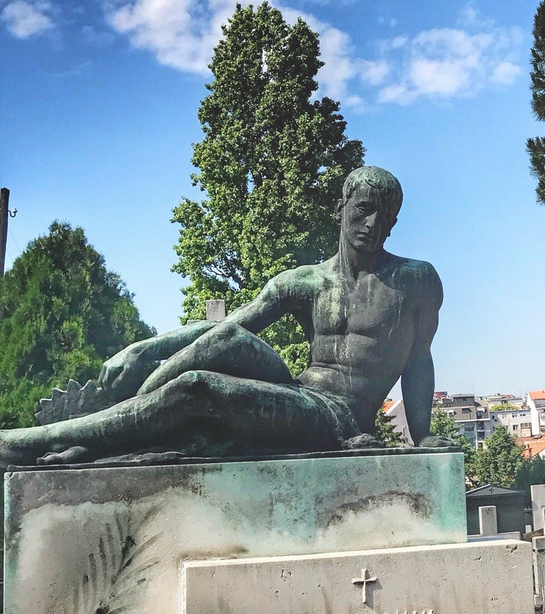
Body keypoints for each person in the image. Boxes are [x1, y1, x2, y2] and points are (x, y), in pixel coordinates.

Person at [0, 166, 454, 466]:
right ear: (341, 210)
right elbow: (224, 328)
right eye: (364, 210)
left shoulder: (414, 281)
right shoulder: (303, 281)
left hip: (340, 420)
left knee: (198, 386)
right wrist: (143, 347)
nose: (373, 224)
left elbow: (419, 359)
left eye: (385, 215)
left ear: (395, 222)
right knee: (225, 343)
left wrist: (424, 435)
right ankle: (122, 417)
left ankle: (34, 441)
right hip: (297, 393)